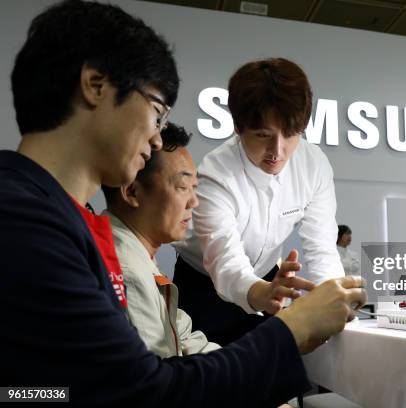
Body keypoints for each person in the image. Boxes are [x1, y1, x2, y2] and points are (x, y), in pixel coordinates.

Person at [0, 1, 366, 406]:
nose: (157, 139)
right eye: (156, 112)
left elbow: (93, 384)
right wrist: (290, 331)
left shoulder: (65, 221)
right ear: (95, 85)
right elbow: (133, 390)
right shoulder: (26, 225)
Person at [173, 58, 345, 345]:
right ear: (239, 128)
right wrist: (260, 293)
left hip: (269, 277)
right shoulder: (216, 174)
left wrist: (332, 298)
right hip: (204, 280)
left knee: (274, 374)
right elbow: (225, 260)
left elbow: (322, 247)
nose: (277, 152)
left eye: (290, 135)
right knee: (208, 376)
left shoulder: (314, 165)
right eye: (263, 135)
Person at [102, 123, 222, 357]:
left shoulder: (136, 255)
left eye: (194, 188)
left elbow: (182, 336)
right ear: (132, 192)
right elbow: (158, 381)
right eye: (182, 187)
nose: (193, 202)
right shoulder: (128, 274)